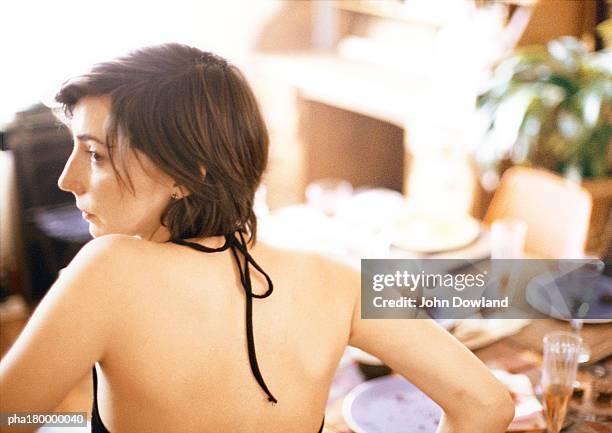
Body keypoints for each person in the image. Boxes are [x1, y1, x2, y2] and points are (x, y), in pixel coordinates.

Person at [0, 43, 514, 433]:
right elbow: (487, 403)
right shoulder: (339, 279)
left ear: (189, 173)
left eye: (95, 155)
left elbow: (12, 415)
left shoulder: (106, 271)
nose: (67, 179)